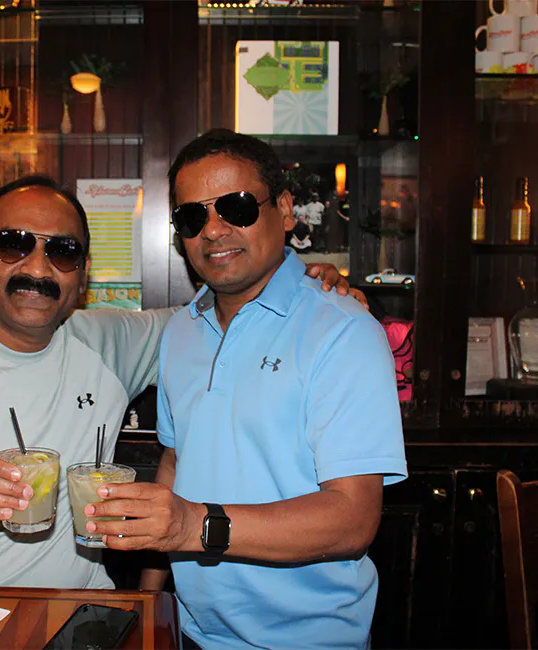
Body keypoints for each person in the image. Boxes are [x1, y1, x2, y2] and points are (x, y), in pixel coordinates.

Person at [0, 174, 353, 590]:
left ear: (82, 276)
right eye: (13, 243)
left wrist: (301, 283)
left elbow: (221, 307)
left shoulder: (110, 341)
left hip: (73, 616)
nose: (37, 266)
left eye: (63, 251)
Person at [81, 130, 408, 649]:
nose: (213, 230)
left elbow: (353, 519)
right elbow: (175, 460)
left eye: (234, 206)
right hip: (190, 630)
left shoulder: (343, 330)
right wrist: (150, 599)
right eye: (192, 216)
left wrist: (196, 526)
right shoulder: (182, 332)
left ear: (283, 208)